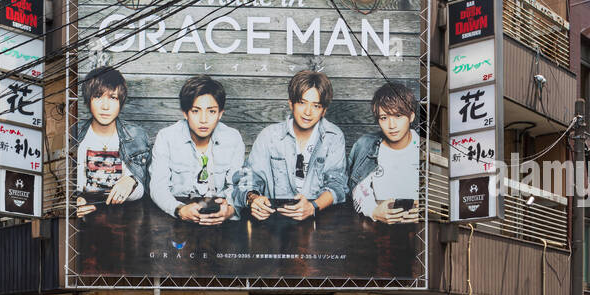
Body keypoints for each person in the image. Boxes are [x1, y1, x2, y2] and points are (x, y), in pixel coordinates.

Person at [236, 69, 346, 221]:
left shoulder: (333, 136)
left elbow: (338, 184)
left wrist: (313, 206)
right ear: (291, 104)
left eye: (316, 106)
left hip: (319, 218)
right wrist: (253, 199)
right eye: (302, 103)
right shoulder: (269, 136)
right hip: (274, 221)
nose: (308, 112)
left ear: (324, 111)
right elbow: (247, 178)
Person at [150, 75, 244, 224]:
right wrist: (179, 209)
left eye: (211, 111)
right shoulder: (166, 137)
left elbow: (237, 185)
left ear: (220, 113)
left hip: (219, 217)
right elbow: (157, 187)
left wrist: (230, 209)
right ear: (185, 113)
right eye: (195, 111)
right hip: (176, 217)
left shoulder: (233, 138)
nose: (203, 119)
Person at [75, 66, 150, 216]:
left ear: (121, 102)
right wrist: (73, 202)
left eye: (113, 98)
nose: (105, 106)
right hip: (83, 220)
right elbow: (60, 186)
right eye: (97, 96)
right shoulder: (74, 137)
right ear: (88, 100)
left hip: (128, 220)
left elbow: (147, 189)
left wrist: (132, 181)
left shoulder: (136, 136)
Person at [348, 81, 420, 224]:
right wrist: (373, 211)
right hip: (375, 230)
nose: (392, 125)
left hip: (419, 234)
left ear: (411, 116)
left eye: (398, 116)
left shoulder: (425, 148)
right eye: (384, 118)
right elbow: (356, 189)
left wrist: (426, 212)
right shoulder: (365, 146)